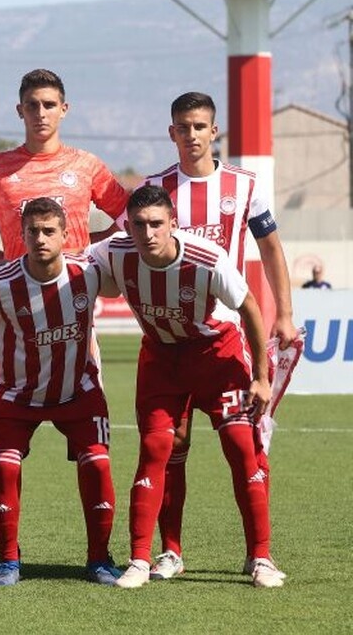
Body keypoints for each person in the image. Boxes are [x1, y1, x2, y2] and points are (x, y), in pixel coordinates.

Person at [88, 185, 286, 589]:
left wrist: (262, 378)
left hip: (217, 356)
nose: (148, 234)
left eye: (157, 224)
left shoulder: (206, 258)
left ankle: (261, 558)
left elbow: (248, 306)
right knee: (157, 450)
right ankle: (147, 558)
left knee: (241, 449)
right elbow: (73, 265)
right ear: (128, 227)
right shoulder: (114, 251)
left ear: (173, 224)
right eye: (139, 225)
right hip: (162, 360)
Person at [141, 92, 298, 581]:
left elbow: (270, 249)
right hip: (171, 339)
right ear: (172, 132)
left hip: (225, 335)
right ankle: (170, 550)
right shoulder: (156, 188)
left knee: (243, 442)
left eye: (200, 126)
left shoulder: (244, 185)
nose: (191, 135)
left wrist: (284, 314)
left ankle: (260, 555)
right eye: (182, 127)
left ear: (215, 132)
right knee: (174, 442)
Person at [0, 197, 120, 586]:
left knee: (97, 464)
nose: (41, 238)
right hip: (17, 395)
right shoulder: (0, 282)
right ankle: (9, 561)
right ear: (22, 235)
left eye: (50, 231)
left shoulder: (89, 272)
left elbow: (124, 275)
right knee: (4, 466)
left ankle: (99, 558)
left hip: (78, 390)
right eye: (33, 231)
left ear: (66, 235)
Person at [0, 68, 129, 265]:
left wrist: (93, 249)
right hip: (16, 291)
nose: (41, 114)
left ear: (63, 109)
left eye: (49, 105)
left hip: (75, 287)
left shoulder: (86, 164)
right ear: (20, 110)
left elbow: (133, 216)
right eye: (32, 105)